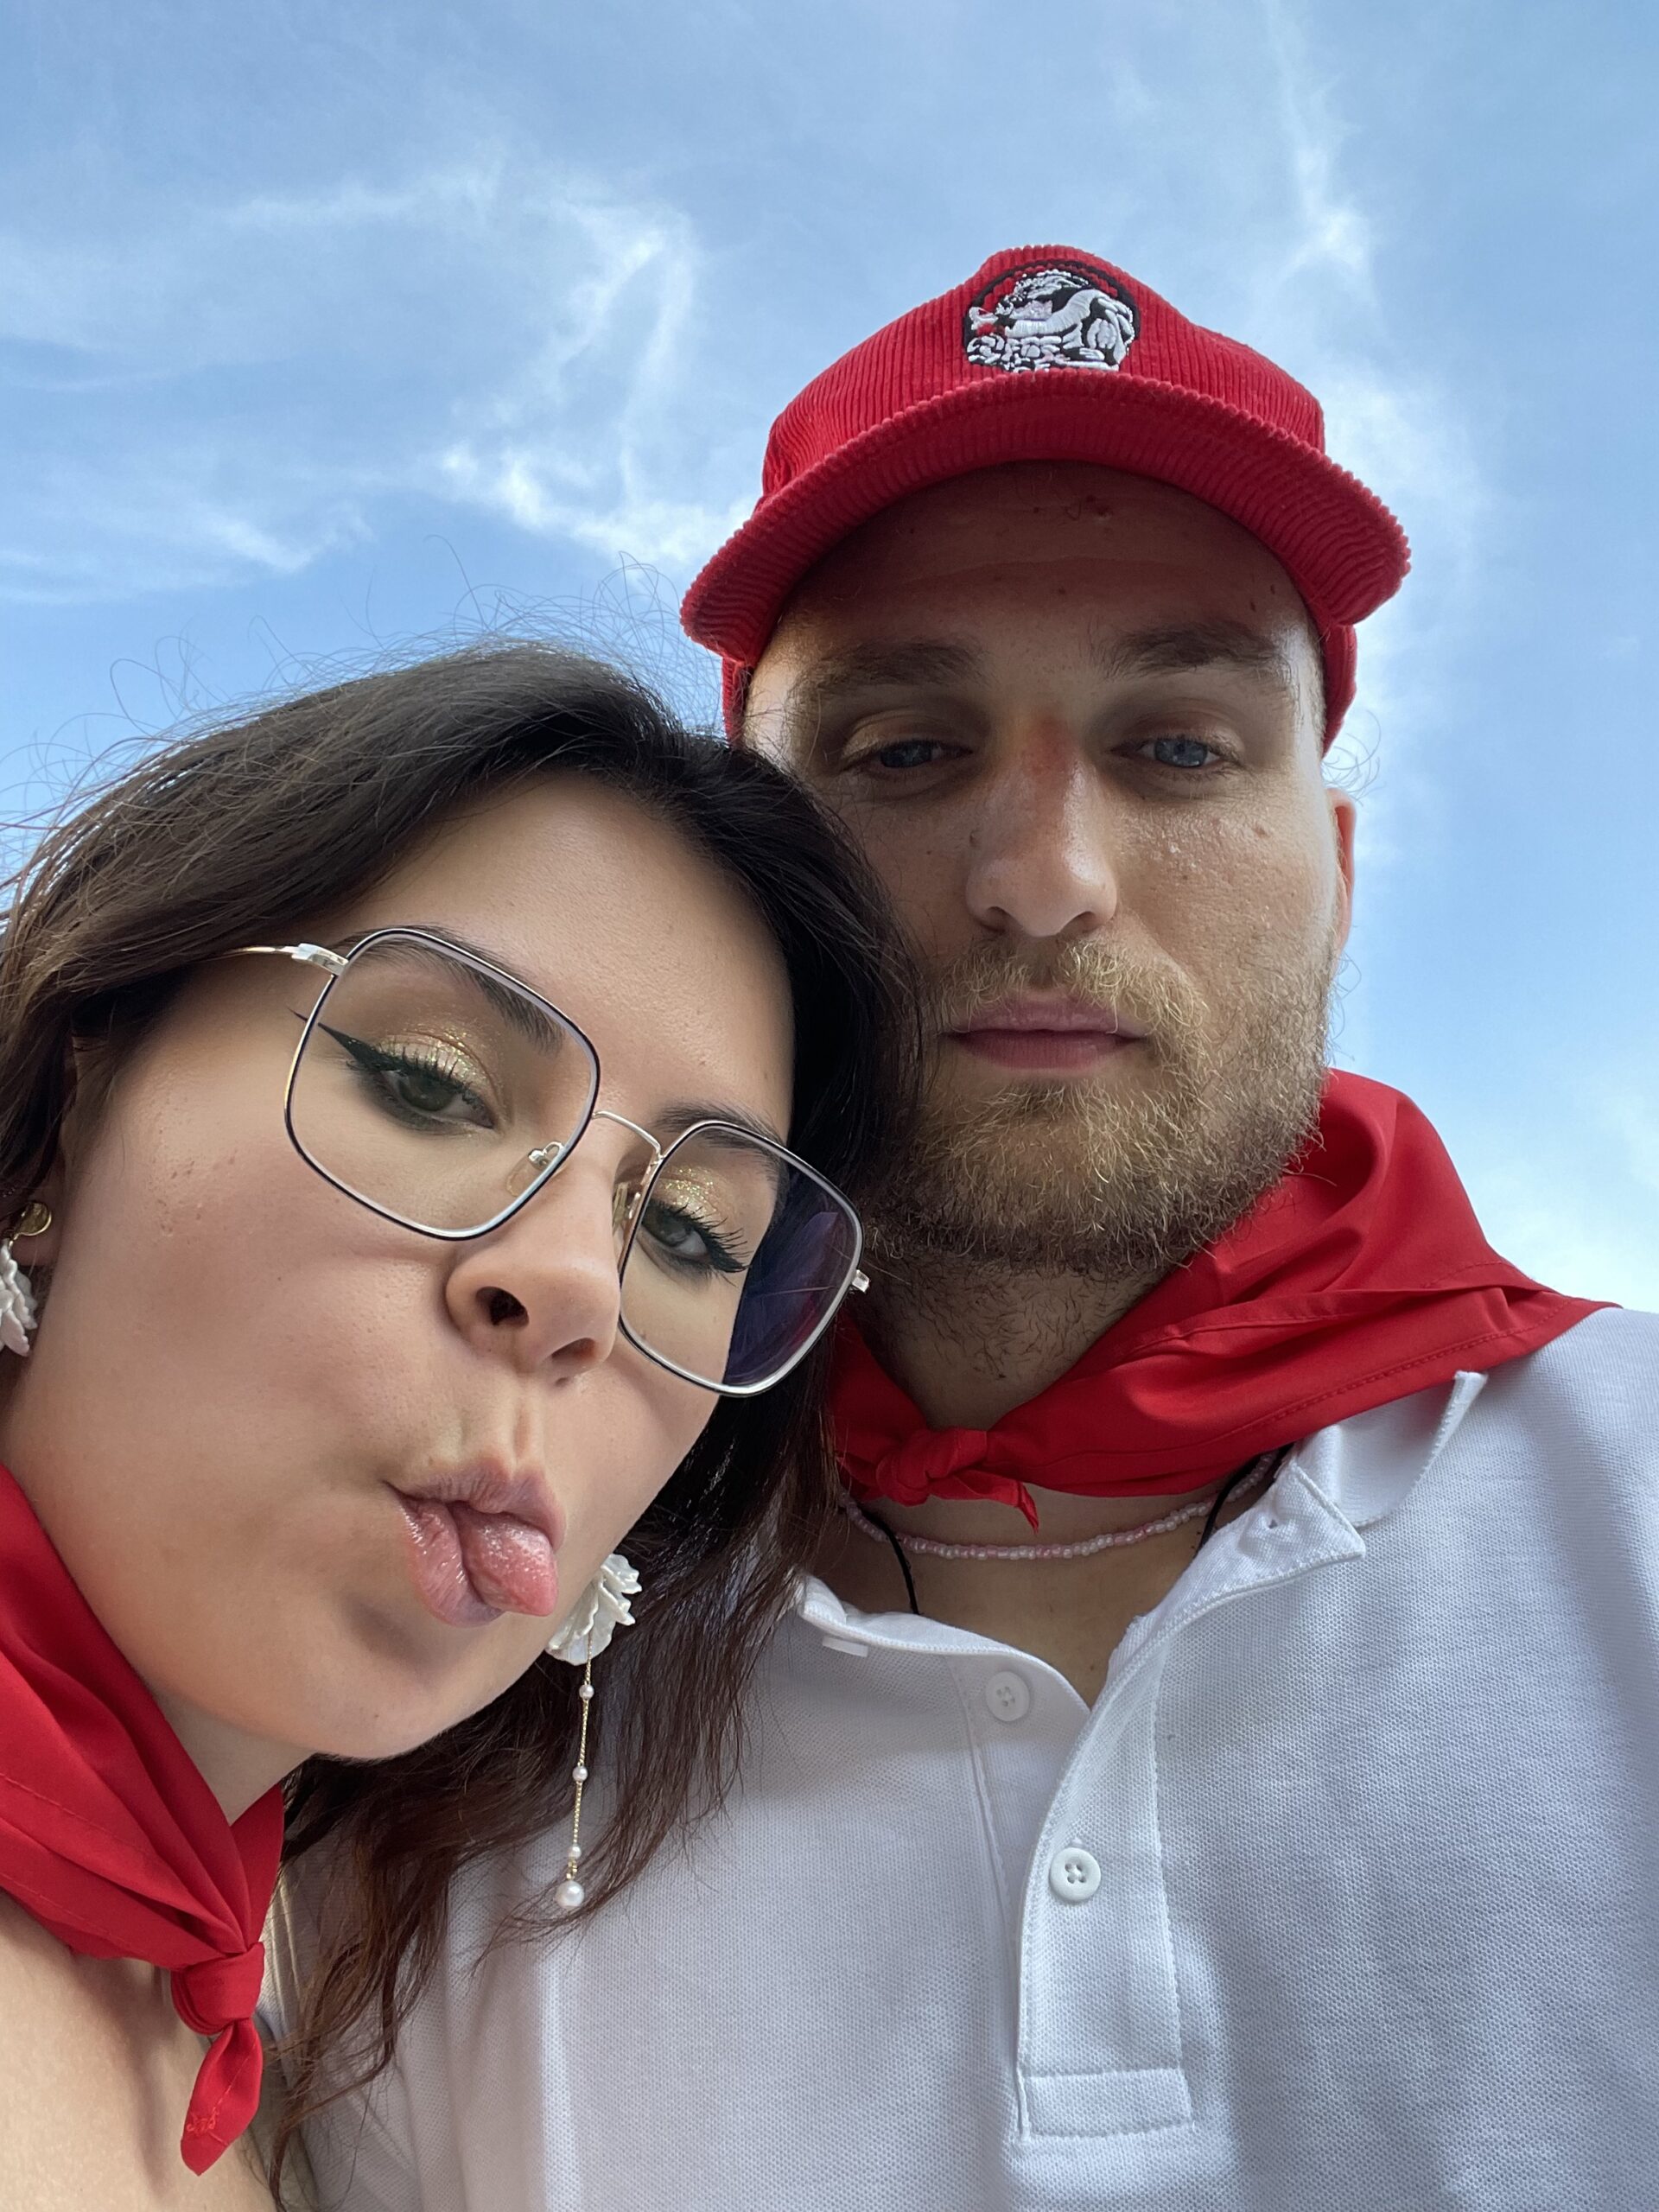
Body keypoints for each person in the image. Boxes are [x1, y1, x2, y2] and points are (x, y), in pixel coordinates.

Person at [273, 253, 1659, 2212]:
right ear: (752, 874)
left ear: (1337, 872)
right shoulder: (437, 1633)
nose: (1044, 876)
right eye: (908, 752)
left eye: (1180, 746)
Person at [0, 640, 910, 2212]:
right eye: (432, 1086)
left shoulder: (271, 2029)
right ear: (79, 1110)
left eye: (690, 1234)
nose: (578, 1291)